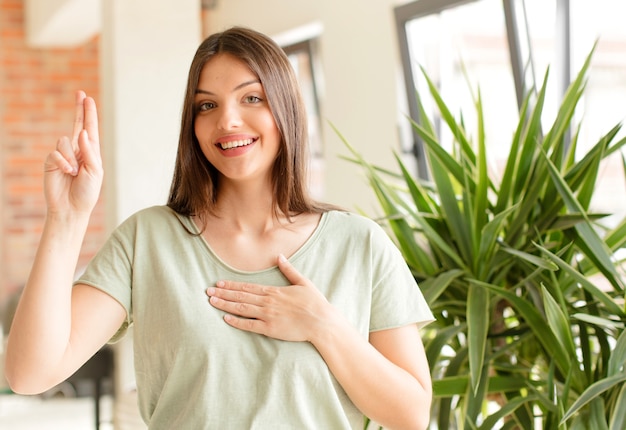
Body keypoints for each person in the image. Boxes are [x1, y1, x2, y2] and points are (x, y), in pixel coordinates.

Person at [5, 27, 434, 429]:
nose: (226, 121)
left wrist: (323, 326)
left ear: (285, 107)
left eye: (251, 98)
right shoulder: (148, 240)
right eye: (206, 105)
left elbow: (411, 414)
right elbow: (29, 373)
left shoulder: (360, 244)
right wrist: (66, 218)